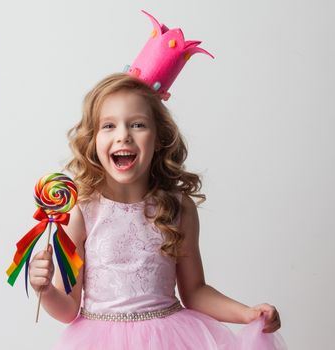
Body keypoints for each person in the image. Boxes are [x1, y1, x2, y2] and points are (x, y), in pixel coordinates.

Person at [28, 72, 287, 349]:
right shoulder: (81, 213)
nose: (123, 136)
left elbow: (195, 291)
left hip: (170, 339)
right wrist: (45, 290)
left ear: (159, 137)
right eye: (109, 126)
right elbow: (68, 309)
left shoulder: (178, 208)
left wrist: (246, 313)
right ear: (92, 140)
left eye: (137, 124)